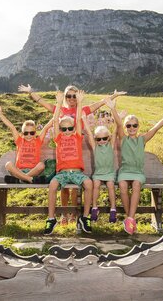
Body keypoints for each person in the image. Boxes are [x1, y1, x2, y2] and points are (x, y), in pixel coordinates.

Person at [19, 84, 125, 225]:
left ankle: (74, 214)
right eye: (68, 95)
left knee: (75, 186)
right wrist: (31, 92)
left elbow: (99, 104)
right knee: (64, 187)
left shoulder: (83, 109)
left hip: (78, 145)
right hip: (63, 146)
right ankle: (64, 213)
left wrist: (114, 95)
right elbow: (42, 102)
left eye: (74, 96)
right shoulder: (60, 110)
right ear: (65, 97)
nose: (71, 98)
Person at [111, 104, 163, 234]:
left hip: (137, 172)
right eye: (128, 126)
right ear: (125, 128)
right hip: (125, 171)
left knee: (136, 185)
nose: (131, 128)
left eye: (134, 125)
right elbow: (118, 125)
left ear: (138, 127)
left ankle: (130, 218)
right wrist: (113, 109)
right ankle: (129, 218)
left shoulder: (142, 139)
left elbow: (156, 127)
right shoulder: (123, 139)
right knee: (123, 185)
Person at [44, 91, 94, 235]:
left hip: (77, 172)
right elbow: (54, 121)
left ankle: (85, 217)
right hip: (63, 173)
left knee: (89, 184)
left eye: (70, 128)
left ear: (74, 129)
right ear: (59, 130)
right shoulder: (58, 139)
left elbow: (78, 120)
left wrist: (80, 102)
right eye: (63, 128)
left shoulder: (77, 137)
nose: (67, 131)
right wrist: (59, 103)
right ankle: (51, 218)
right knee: (53, 185)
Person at [0, 106, 51, 184]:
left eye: (32, 133)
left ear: (35, 133)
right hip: (19, 171)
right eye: (26, 133)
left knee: (41, 165)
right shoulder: (19, 141)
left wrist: (58, 108)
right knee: (8, 164)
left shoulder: (38, 141)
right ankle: (28, 179)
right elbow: (12, 127)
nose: (29, 135)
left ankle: (20, 180)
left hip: (33, 171)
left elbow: (46, 127)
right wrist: (1, 115)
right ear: (22, 134)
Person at [83, 105, 118, 224]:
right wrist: (84, 119)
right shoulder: (95, 147)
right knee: (96, 184)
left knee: (110, 186)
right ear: (95, 139)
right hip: (98, 173)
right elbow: (88, 132)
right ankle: (94, 207)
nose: (102, 141)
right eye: (99, 139)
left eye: (104, 138)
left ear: (108, 138)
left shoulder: (111, 145)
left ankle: (113, 208)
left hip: (109, 172)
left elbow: (116, 130)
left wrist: (117, 116)